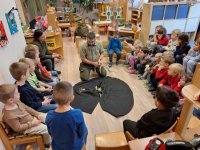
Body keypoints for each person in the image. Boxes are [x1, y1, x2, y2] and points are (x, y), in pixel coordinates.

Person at [46, 81, 88, 150]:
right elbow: (82, 132)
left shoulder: (49, 115)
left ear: (53, 97)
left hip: (57, 147)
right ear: (72, 98)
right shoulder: (77, 113)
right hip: (75, 147)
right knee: (85, 130)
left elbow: (51, 133)